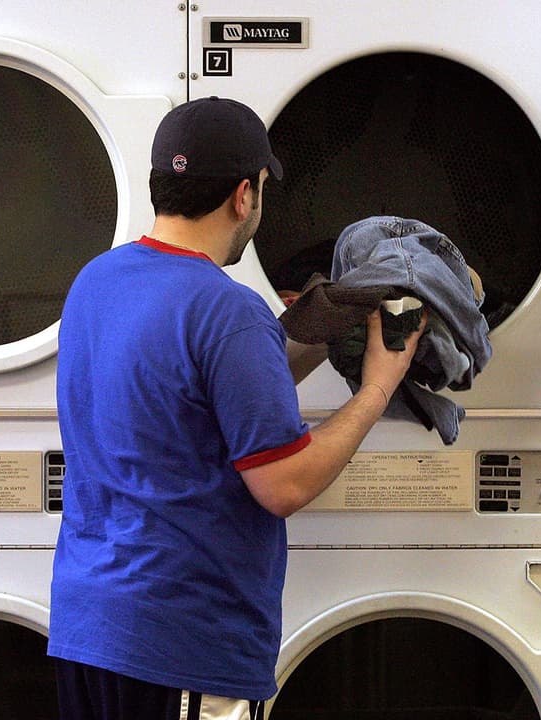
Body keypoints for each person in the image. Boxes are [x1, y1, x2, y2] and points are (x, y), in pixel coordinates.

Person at [49, 96, 425, 720]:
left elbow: (197, 394)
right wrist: (377, 387)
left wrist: (315, 324)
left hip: (89, 628)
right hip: (183, 644)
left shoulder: (98, 281)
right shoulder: (227, 310)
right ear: (243, 196)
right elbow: (284, 483)